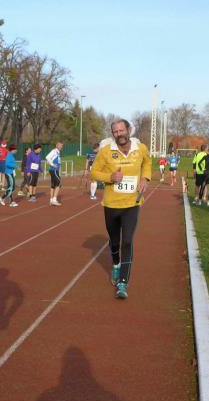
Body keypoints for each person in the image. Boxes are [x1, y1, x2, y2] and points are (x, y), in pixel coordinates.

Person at [91, 118, 151, 299]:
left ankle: (123, 282)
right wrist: (110, 177)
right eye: (115, 132)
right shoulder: (106, 151)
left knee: (127, 241)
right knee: (115, 242)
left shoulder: (140, 148)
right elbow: (94, 172)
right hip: (111, 204)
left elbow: (147, 163)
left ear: (128, 130)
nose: (119, 134)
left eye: (121, 130)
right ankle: (116, 264)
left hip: (132, 204)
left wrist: (145, 178)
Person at [45, 141, 63, 206]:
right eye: (60, 145)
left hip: (55, 170)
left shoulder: (58, 152)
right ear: (56, 145)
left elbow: (53, 161)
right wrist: (52, 165)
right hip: (54, 170)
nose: (61, 147)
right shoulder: (54, 151)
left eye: (62, 146)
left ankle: (51, 200)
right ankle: (54, 200)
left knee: (53, 185)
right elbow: (47, 157)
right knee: (59, 183)